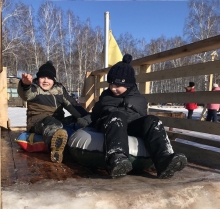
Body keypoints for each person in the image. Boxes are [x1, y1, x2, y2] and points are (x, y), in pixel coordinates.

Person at [90, 54, 187, 179]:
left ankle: (164, 159)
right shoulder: (106, 97)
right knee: (117, 116)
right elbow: (95, 115)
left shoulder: (138, 98)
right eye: (111, 84)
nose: (113, 88)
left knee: (153, 120)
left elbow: (141, 115)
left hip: (131, 126)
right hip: (111, 125)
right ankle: (117, 158)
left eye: (117, 85)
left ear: (129, 84)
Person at [17, 61, 90, 163]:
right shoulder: (34, 88)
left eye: (49, 78)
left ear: (54, 79)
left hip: (58, 121)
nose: (46, 80)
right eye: (42, 77)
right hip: (38, 122)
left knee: (76, 119)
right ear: (38, 78)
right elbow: (26, 95)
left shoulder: (59, 89)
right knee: (50, 122)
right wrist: (25, 85)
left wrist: (86, 116)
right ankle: (55, 144)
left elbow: (72, 104)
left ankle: (88, 137)